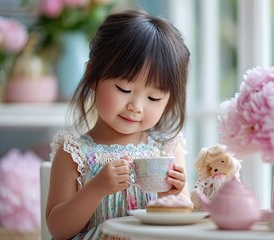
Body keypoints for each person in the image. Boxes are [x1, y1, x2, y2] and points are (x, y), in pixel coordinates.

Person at [46, 10, 191, 239]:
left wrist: (171, 196)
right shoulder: (73, 152)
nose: (136, 106)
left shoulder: (167, 150)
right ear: (93, 75)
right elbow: (58, 229)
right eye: (124, 89)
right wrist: (95, 189)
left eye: (153, 98)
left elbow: (182, 225)